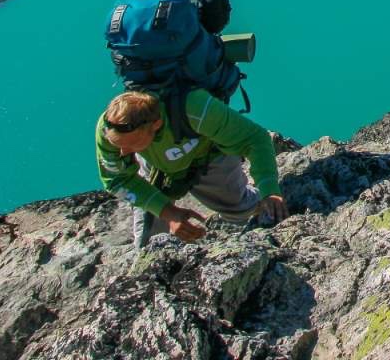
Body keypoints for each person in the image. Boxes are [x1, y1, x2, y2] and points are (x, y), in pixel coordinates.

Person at [96, 87, 288, 249]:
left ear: (156, 124)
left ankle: (258, 202)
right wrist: (168, 213)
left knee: (239, 207)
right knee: (149, 243)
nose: (123, 152)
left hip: (207, 156)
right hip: (157, 165)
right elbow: (117, 180)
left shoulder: (195, 108)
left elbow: (255, 139)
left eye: (132, 143)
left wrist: (269, 189)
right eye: (118, 144)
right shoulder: (108, 130)